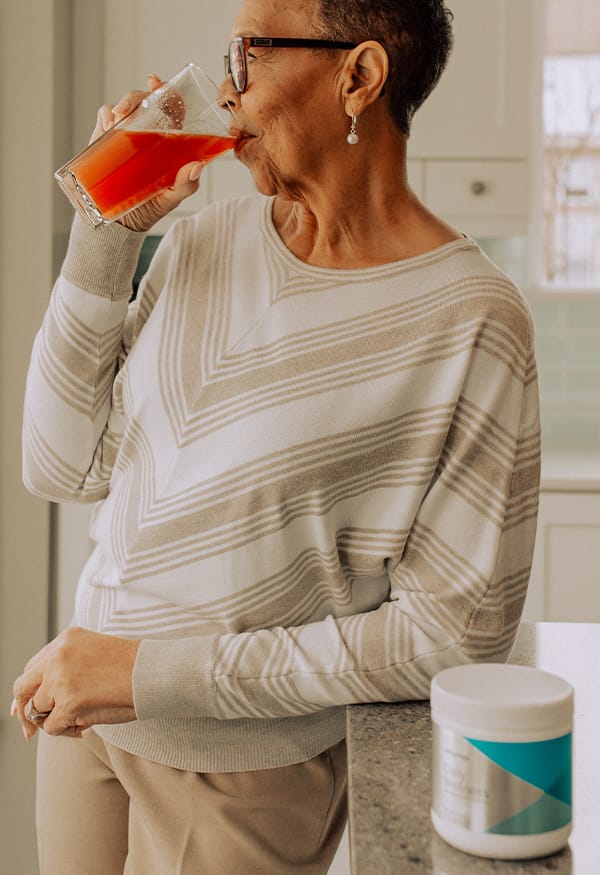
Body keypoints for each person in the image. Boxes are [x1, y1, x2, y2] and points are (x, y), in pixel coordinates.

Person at [12, 0, 541, 872]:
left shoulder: (471, 321)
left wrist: (148, 673)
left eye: (250, 54)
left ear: (358, 77)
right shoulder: (200, 245)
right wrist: (104, 235)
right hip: (86, 724)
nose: (226, 90)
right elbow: (60, 460)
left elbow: (452, 634)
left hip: (238, 774)